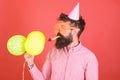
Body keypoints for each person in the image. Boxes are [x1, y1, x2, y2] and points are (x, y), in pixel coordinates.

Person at [24, 3, 98, 80]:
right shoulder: (53, 51)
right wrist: (30, 63)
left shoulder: (89, 58)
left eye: (63, 27)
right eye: (59, 27)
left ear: (75, 31)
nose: (59, 32)